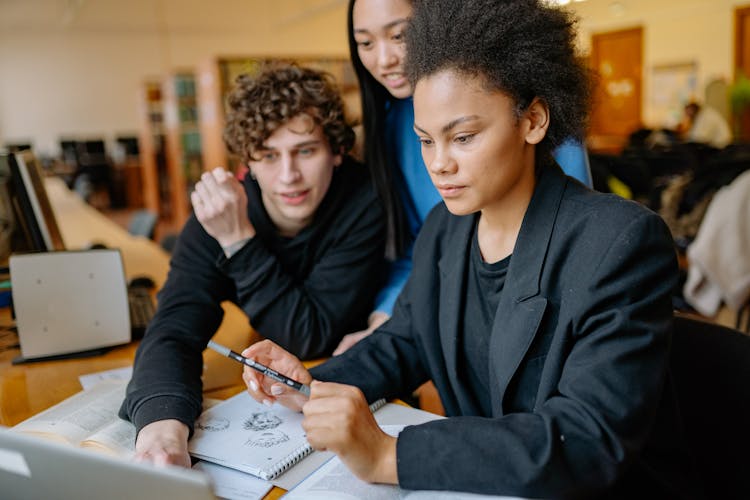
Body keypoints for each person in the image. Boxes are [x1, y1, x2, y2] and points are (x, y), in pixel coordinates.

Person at [242, 0, 693, 497]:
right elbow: (408, 340)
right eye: (425, 141)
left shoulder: (619, 242)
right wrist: (311, 385)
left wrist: (389, 454)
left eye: (462, 137)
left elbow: (585, 440)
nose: (439, 164)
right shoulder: (445, 229)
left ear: (534, 120)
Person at [119, 63, 385, 466]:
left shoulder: (363, 199)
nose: (288, 176)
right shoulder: (221, 211)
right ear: (248, 160)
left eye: (306, 151)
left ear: (336, 152)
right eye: (268, 155)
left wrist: (239, 242)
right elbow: (174, 329)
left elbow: (309, 336)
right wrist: (163, 428)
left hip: (356, 388)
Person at [334, 0, 594, 354]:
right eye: (365, 43)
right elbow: (418, 247)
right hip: (451, 311)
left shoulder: (529, 115)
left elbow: (575, 231)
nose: (384, 59)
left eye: (400, 35)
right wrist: (387, 315)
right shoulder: (392, 121)